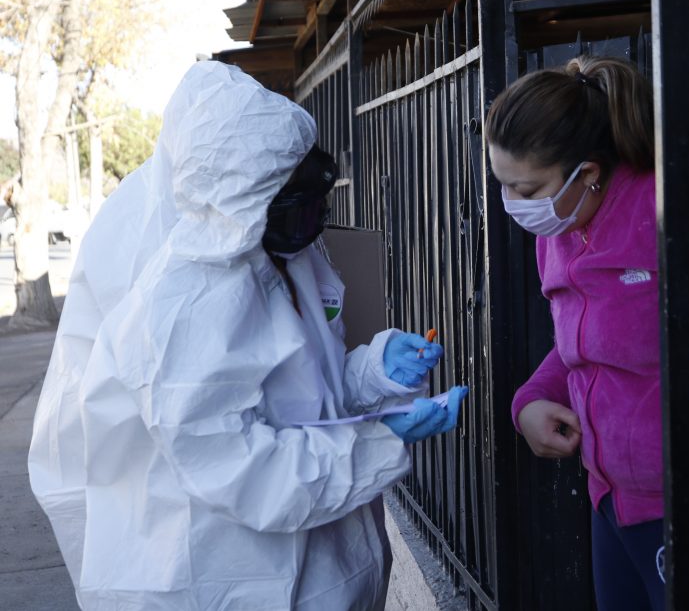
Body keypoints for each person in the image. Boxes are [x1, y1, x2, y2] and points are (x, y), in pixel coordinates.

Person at [28, 61, 467, 610]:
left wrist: (374, 371)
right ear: (240, 205)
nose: (311, 223)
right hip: (227, 582)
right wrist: (379, 443)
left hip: (328, 567)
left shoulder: (284, 254)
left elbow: (305, 393)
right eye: (293, 207)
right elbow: (244, 471)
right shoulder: (182, 306)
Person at [486, 56, 668, 610]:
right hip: (608, 496)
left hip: (684, 498)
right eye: (504, 187)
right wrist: (531, 400)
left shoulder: (666, 210)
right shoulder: (560, 227)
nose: (515, 205)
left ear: (586, 172)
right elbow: (578, 343)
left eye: (527, 187)